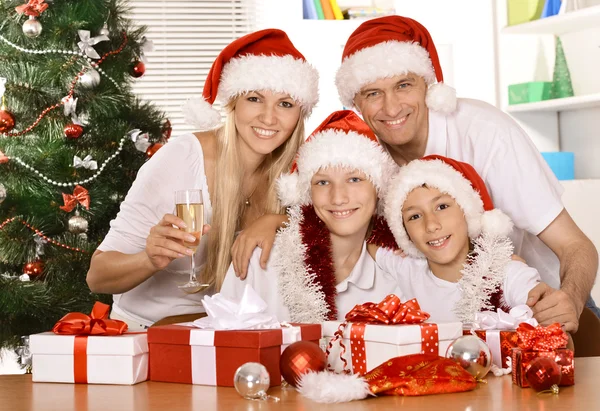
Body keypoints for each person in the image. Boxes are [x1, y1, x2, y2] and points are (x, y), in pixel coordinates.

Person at [233, 15, 598, 332]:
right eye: (373, 93)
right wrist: (279, 219)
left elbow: (576, 246)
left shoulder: (486, 133)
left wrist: (569, 300)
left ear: (429, 85)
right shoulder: (369, 156)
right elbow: (341, 208)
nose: (390, 107)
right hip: (449, 316)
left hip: (544, 303)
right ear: (355, 102)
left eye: (404, 85)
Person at [85, 29, 320, 330]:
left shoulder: (296, 174)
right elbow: (97, 276)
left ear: (300, 114)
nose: (269, 118)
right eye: (255, 99)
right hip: (145, 336)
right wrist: (149, 259)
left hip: (227, 338)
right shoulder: (183, 158)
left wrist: (276, 220)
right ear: (233, 104)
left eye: (285, 104)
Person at [220, 110, 399, 322]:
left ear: (378, 188)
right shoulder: (260, 259)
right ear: (307, 193)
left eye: (354, 179)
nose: (338, 198)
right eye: (322, 182)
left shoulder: (399, 269)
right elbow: (224, 343)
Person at [370, 155, 542, 323]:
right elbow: (361, 233)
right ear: (404, 232)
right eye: (414, 216)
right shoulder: (406, 268)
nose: (431, 225)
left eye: (442, 207)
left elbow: (555, 328)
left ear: (468, 212)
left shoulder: (509, 275)